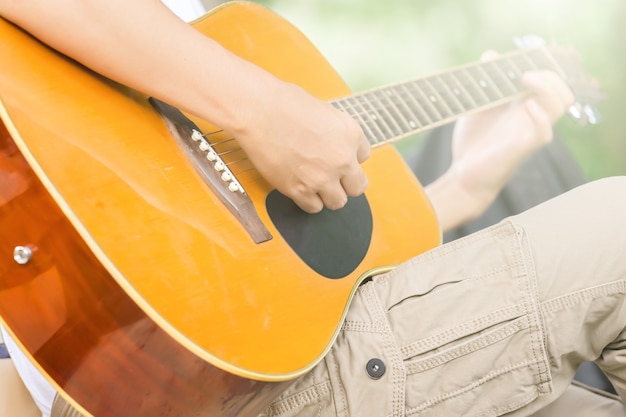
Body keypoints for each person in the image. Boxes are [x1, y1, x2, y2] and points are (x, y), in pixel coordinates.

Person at [0, 1, 624, 417]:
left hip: (255, 359)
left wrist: (460, 188)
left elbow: (256, 279)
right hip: (187, 391)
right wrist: (257, 107)